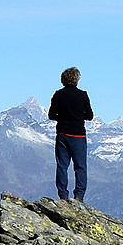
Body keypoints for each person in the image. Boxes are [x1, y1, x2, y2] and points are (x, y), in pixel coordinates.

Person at [47, 67, 95, 202]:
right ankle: (79, 196)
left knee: (62, 166)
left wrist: (62, 117)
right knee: (80, 167)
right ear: (77, 79)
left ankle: (63, 196)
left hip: (62, 134)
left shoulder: (58, 95)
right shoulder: (83, 95)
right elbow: (90, 116)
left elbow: (51, 115)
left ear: (63, 79)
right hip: (78, 135)